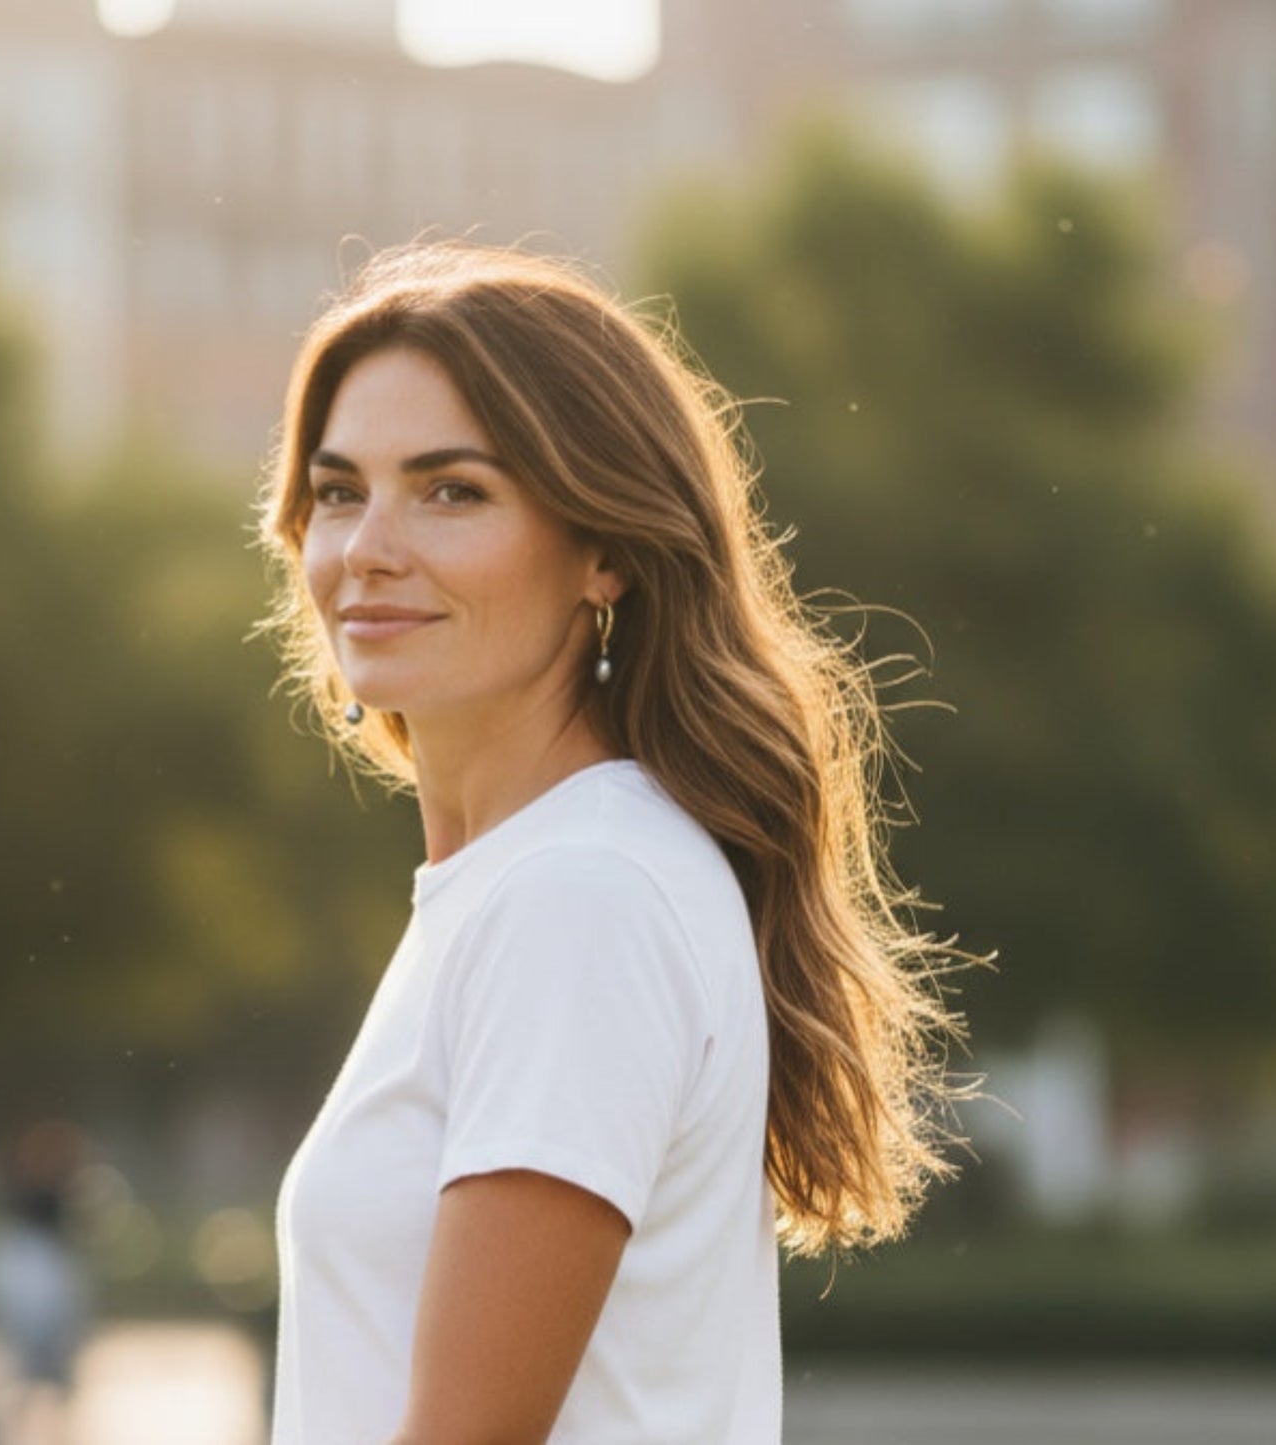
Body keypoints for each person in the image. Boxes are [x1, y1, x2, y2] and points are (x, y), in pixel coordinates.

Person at [257, 241, 966, 1444]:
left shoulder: (578, 896)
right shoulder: (529, 880)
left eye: (451, 490)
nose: (367, 546)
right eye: (338, 490)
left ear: (604, 552)